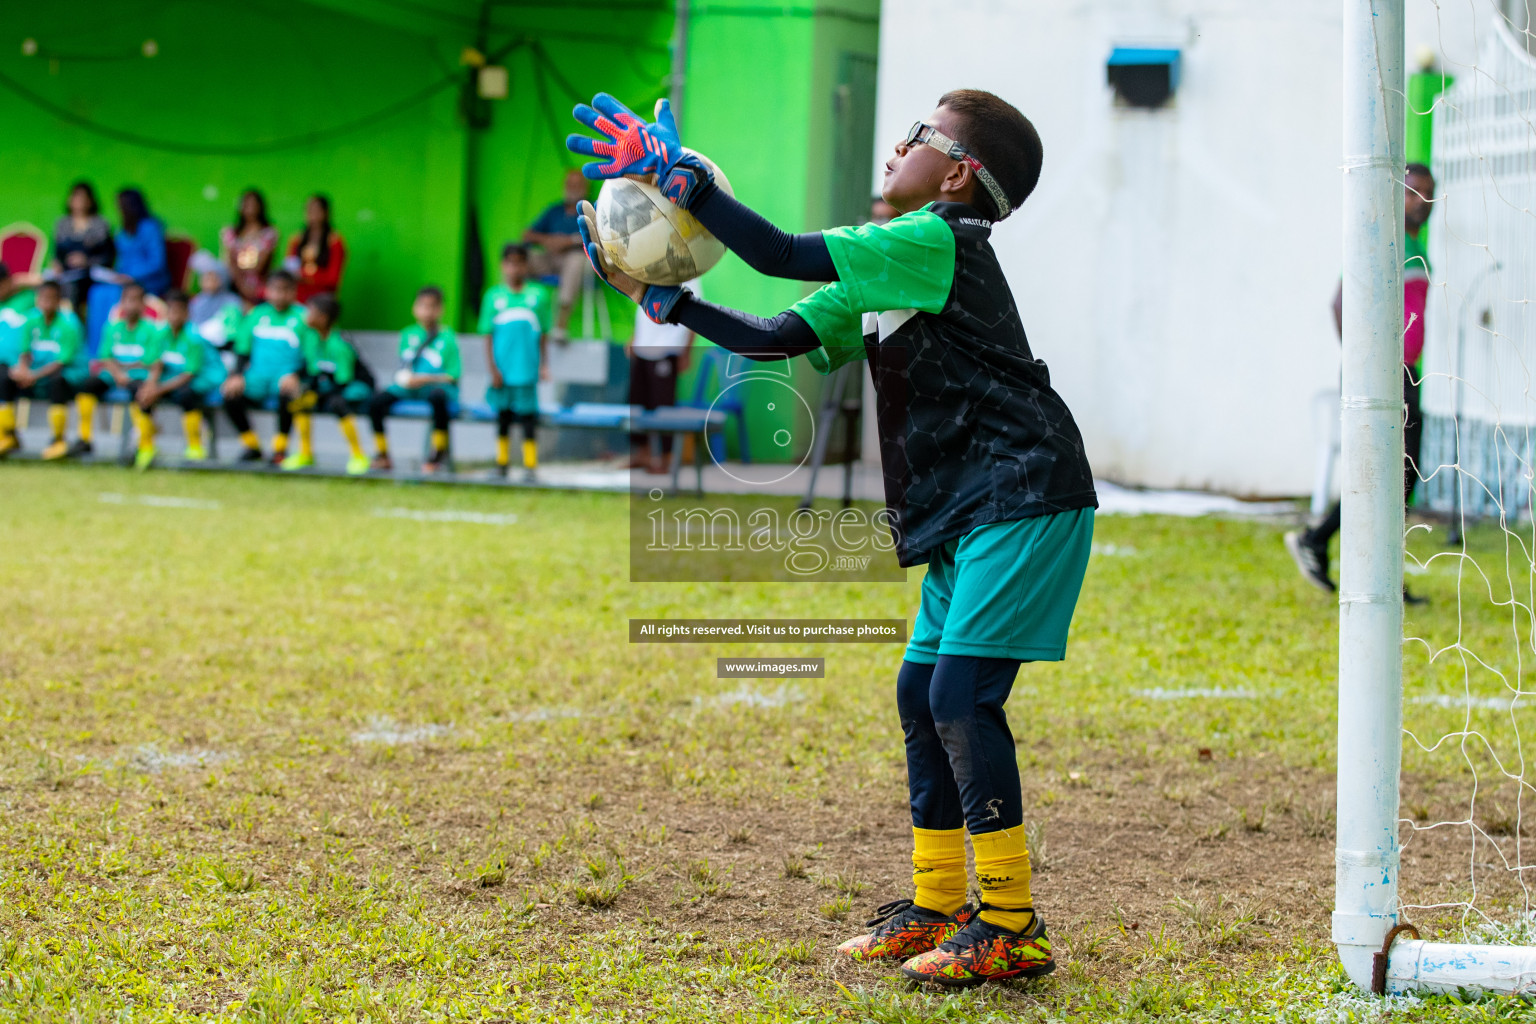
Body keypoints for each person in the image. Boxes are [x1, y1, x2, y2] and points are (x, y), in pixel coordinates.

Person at [569, 89, 1094, 986]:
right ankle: (936, 905)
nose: (897, 145)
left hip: (1023, 491)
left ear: (960, 173)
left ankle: (1010, 924)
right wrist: (663, 300)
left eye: (920, 137)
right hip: (966, 510)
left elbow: (775, 255)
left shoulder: (935, 241)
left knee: (961, 696)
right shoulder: (892, 265)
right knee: (921, 692)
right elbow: (773, 336)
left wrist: (684, 181)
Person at [1285, 164, 1436, 600]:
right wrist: (1365, 365)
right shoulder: (1380, 242)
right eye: (1412, 193)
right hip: (1383, 378)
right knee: (1383, 475)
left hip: (1408, 373)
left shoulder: (1416, 245)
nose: (1419, 202)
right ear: (1397, 195)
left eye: (1427, 194)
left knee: (1397, 477)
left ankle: (1363, 564)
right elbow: (1340, 302)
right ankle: (1325, 545)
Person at [367, 286, 460, 474]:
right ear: (414, 308)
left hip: (435, 388)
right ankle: (383, 453)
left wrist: (426, 379)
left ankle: (437, 453)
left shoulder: (448, 337)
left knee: (438, 399)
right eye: (422, 306)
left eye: (432, 306)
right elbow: (403, 366)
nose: (427, 311)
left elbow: (453, 375)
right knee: (375, 402)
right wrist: (406, 378)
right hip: (409, 388)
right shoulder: (407, 334)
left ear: (440, 309)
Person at [480, 244, 552, 479]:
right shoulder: (493, 297)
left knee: (528, 419)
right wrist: (492, 369)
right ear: (503, 266)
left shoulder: (538, 296)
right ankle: (502, 464)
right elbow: (487, 337)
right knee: (503, 417)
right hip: (502, 371)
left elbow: (543, 336)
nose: (514, 267)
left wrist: (543, 365)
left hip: (526, 370)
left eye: (519, 262)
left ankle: (530, 466)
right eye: (510, 262)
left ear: (526, 265)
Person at [221, 270, 307, 465]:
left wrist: (296, 375)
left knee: (289, 393)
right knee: (229, 394)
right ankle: (251, 446)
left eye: (285, 290)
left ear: (294, 292)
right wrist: (236, 375)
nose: (280, 295)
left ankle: (280, 449)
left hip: (287, 377)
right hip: (257, 377)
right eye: (275, 290)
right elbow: (243, 350)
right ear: (267, 291)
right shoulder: (257, 315)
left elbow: (312, 356)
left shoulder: (303, 317)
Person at [134, 289, 225, 468]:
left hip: (204, 379)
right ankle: (146, 447)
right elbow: (155, 364)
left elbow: (189, 374)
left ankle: (195, 446)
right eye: (171, 311)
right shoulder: (160, 334)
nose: (174, 316)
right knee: (143, 393)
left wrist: (158, 390)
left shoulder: (194, 338)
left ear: (187, 313)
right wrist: (151, 386)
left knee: (187, 395)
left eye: (178, 311)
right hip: (172, 379)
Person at [0, 281, 88, 460]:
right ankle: (8, 434)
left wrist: (33, 375)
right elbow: (24, 351)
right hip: (34, 375)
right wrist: (23, 369)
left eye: (51, 299)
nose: (46, 303)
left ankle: (58, 440)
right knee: (5, 377)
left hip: (64, 376)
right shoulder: (31, 320)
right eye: (42, 298)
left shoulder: (69, 324)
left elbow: (62, 362)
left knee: (58, 381)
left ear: (59, 301)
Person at [290, 293, 373, 475]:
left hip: (356, 385)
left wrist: (321, 393)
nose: (306, 316)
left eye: (310, 312)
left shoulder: (340, 343)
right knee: (300, 401)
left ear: (323, 318)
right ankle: (305, 454)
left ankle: (358, 455)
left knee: (338, 403)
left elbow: (344, 380)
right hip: (330, 386)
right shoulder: (311, 337)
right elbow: (313, 370)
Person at [77, 281, 158, 458]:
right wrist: (117, 373)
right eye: (127, 300)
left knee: (143, 393)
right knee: (87, 385)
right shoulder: (112, 327)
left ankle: (144, 445)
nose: (131, 305)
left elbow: (149, 362)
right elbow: (105, 357)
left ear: (143, 304)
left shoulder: (152, 330)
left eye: (136, 300)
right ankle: (84, 439)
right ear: (121, 303)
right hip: (113, 376)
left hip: (138, 378)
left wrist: (124, 370)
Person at [625, 279, 697, 474]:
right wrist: (634, 337)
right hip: (643, 347)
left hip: (667, 348)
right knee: (637, 400)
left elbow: (695, 316)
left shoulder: (689, 274)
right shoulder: (648, 268)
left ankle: (667, 458)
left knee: (663, 404)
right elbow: (642, 308)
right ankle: (643, 454)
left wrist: (686, 352)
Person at [85, 189, 170, 353]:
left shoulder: (150, 227)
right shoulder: (122, 230)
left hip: (149, 280)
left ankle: (117, 349)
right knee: (98, 293)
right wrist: (116, 275)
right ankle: (97, 352)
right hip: (124, 281)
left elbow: (157, 262)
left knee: (112, 295)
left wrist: (132, 276)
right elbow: (122, 259)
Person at [523, 168, 592, 343]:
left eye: (577, 184)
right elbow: (527, 234)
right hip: (550, 258)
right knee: (520, 257)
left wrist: (568, 241)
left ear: (585, 187)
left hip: (577, 262)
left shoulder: (590, 209)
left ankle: (561, 324)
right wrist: (549, 240)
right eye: (569, 183)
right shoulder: (554, 210)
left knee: (576, 262)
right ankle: (518, 311)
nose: (572, 187)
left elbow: (598, 235)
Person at [50, 182, 114, 317]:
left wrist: (87, 261)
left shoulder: (100, 225)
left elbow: (108, 256)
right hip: (66, 273)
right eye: (76, 197)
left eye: (83, 198)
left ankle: (74, 326)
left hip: (90, 274)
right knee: (47, 286)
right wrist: (57, 264)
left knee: (72, 288)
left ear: (91, 201)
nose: (79, 202)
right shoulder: (62, 224)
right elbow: (57, 253)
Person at [284, 194, 347, 304]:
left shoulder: (334, 241)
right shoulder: (297, 239)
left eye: (317, 210)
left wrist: (304, 275)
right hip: (297, 298)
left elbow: (333, 278)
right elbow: (289, 267)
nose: (313, 215)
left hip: (322, 299)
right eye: (309, 210)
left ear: (326, 213)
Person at [220, 190, 278, 306]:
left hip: (259, 281)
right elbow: (228, 262)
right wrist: (240, 284)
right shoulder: (230, 232)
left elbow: (261, 265)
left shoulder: (269, 233)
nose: (250, 208)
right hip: (234, 280)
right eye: (247, 204)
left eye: (254, 204)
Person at [187, 251, 244, 354]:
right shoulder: (198, 301)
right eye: (205, 277)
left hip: (223, 350)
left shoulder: (232, 301)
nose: (209, 281)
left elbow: (232, 332)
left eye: (213, 278)